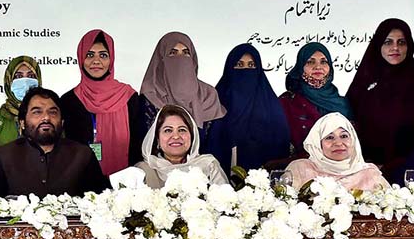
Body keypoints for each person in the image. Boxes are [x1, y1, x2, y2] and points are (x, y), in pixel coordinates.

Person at [346, 19, 414, 178]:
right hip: (367, 174)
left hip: (413, 173)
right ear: (378, 46)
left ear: (409, 46)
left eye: (401, 42)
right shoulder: (363, 84)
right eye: (388, 42)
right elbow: (350, 131)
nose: (395, 48)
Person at [0, 87, 109, 198]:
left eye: (53, 112)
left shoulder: (83, 155)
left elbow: (101, 202)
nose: (46, 117)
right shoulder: (1, 157)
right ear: (22, 123)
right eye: (37, 112)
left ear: (62, 122)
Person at [60, 29, 141, 176]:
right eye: (89, 55)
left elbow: (138, 145)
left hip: (126, 186)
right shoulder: (68, 101)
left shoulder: (129, 97)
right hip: (80, 183)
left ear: (111, 60)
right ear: (81, 58)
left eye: (103, 55)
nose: (96, 61)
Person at [203, 43, 290, 174]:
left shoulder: (272, 107)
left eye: (251, 65)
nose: (245, 70)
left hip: (265, 187)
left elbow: (281, 148)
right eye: (239, 65)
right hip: (219, 185)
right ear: (229, 69)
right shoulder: (214, 104)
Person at [138, 31, 225, 138]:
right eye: (173, 53)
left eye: (186, 52)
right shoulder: (150, 95)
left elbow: (216, 141)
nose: (180, 58)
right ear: (160, 60)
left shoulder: (208, 95)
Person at [279, 42, 352, 156]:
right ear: (300, 67)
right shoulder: (287, 102)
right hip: (300, 167)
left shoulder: (343, 103)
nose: (318, 67)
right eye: (310, 62)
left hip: (340, 167)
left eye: (323, 62)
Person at [285, 112, 389, 191]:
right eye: (329, 137)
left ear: (353, 141)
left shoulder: (369, 174)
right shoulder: (300, 170)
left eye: (344, 136)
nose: (338, 143)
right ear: (317, 143)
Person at [131, 104, 228, 188]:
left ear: (192, 135)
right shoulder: (144, 170)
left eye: (182, 130)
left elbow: (227, 204)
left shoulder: (208, 165)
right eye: (168, 130)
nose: (176, 136)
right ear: (157, 139)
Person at [0, 55, 41, 165]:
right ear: (8, 81)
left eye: (31, 76)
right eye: (18, 76)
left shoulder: (48, 117)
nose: (25, 82)